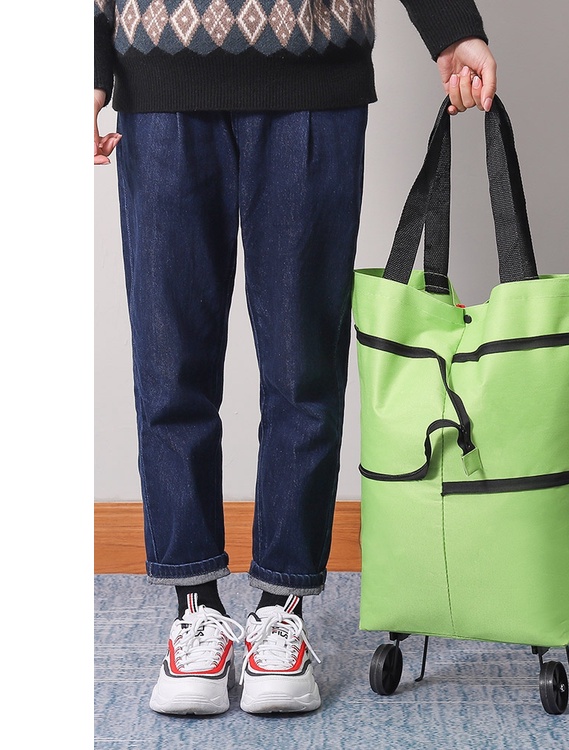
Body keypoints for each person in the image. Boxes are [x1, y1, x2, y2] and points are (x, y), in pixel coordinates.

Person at [94, 0, 497, 716]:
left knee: (303, 367)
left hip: (314, 71)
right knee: (169, 368)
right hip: (158, 72)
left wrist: (452, 27)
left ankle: (282, 610)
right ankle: (195, 610)